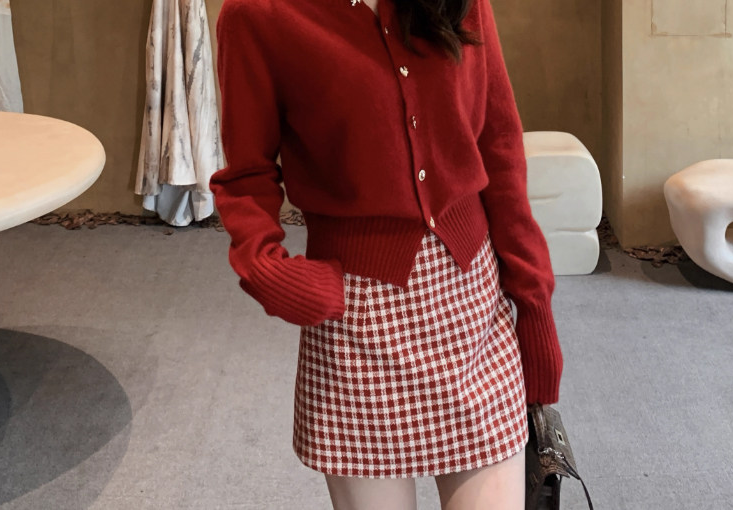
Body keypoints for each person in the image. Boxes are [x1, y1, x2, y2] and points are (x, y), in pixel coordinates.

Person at [208, 0, 563, 508]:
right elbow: (246, 176)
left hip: (472, 309)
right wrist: (267, 268)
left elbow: (499, 145)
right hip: (357, 322)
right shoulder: (258, 13)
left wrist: (534, 305)